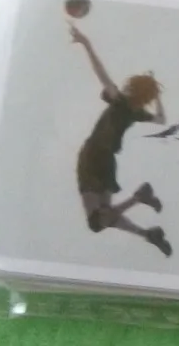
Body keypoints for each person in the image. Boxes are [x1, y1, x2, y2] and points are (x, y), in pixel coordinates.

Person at [71, 24, 172, 257]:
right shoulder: (136, 111)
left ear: (130, 87)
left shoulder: (119, 100)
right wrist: (157, 96)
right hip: (107, 159)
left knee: (97, 221)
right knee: (104, 216)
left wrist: (86, 43)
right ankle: (147, 233)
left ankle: (139, 199)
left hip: (93, 155)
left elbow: (100, 72)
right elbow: (162, 119)